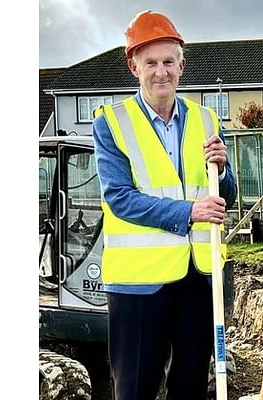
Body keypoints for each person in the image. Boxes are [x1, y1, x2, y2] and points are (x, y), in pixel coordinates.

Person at [92, 10, 237, 399]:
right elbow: (119, 198)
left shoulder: (207, 120)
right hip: (138, 285)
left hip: (198, 276)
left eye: (169, 62)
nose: (161, 72)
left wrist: (222, 172)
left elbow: (227, 195)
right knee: (135, 388)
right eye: (151, 63)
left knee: (189, 387)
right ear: (133, 66)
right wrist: (189, 212)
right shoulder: (112, 123)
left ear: (181, 65)